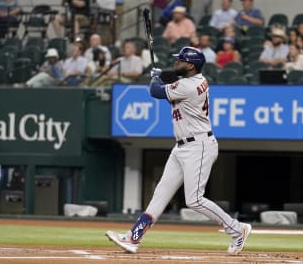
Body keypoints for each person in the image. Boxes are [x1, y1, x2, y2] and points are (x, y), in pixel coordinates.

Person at [106, 46, 252, 255]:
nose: (176, 63)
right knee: (160, 194)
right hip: (182, 146)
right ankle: (133, 238)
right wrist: (160, 77)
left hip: (199, 146)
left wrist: (155, 78)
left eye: (180, 61)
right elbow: (171, 85)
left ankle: (238, 229)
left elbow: (155, 91)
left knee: (194, 200)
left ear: (191, 65)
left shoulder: (189, 86)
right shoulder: (193, 81)